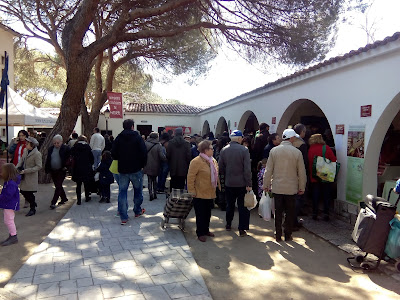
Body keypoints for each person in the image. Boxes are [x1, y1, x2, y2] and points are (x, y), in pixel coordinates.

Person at [263, 129, 307, 242]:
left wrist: (266, 184)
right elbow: (301, 172)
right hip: (291, 188)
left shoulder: (274, 151)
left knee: (278, 212)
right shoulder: (297, 152)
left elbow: (268, 170)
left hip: (277, 187)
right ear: (291, 138)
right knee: (290, 212)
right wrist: (302, 187)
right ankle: (288, 234)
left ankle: (278, 235)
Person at [112, 119, 147, 225]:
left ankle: (123, 217)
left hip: (123, 170)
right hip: (136, 169)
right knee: (138, 191)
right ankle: (137, 211)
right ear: (132, 126)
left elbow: (113, 153)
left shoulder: (118, 138)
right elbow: (144, 152)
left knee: (122, 192)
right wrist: (142, 165)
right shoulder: (138, 138)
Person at [218, 130, 252, 237]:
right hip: (242, 183)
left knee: (230, 204)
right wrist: (249, 183)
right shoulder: (244, 150)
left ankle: (228, 224)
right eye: (241, 137)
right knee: (243, 206)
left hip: (229, 182)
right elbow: (247, 169)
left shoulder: (224, 150)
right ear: (239, 139)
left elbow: (221, 167)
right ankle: (242, 228)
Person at [187, 140, 219, 242]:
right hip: (199, 192)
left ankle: (206, 230)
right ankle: (200, 232)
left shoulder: (212, 161)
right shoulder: (196, 161)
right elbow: (190, 177)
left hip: (210, 192)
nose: (213, 150)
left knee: (208, 213)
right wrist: (191, 191)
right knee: (200, 214)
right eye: (211, 149)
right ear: (205, 150)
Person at [308, 134, 337, 221]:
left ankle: (314, 213)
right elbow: (333, 159)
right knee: (326, 194)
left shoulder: (311, 149)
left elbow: (309, 161)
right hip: (325, 175)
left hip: (314, 175)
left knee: (315, 194)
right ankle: (326, 213)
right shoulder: (326, 148)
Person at [16, 137, 42, 217]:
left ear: (32, 145)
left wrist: (27, 170)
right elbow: (21, 160)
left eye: (27, 143)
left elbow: (39, 166)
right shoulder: (25, 150)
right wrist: (16, 168)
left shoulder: (37, 154)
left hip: (31, 176)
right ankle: (33, 203)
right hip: (23, 175)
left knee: (29, 192)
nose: (25, 144)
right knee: (23, 191)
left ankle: (32, 208)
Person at [45, 134, 70, 209]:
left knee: (58, 186)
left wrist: (67, 167)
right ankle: (64, 198)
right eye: (54, 143)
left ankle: (53, 202)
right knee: (57, 185)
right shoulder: (51, 149)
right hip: (53, 170)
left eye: (58, 143)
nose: (56, 144)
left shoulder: (66, 148)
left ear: (61, 142)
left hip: (61, 170)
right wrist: (47, 169)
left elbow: (69, 159)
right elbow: (48, 159)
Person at [292, 123, 309, 229]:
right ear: (302, 132)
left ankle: (292, 220)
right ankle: (293, 221)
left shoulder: (291, 143)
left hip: (289, 174)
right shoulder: (301, 144)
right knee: (298, 198)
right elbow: (304, 162)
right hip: (298, 174)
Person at [0, 163, 21, 246]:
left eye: (3, 171)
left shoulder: (11, 183)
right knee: (8, 220)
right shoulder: (9, 182)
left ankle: (13, 236)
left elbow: (7, 196)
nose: (1, 173)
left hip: (9, 205)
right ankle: (12, 235)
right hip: (8, 204)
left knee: (9, 221)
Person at [70, 135, 94, 205]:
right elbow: (91, 158)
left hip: (77, 168)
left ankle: (79, 200)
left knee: (78, 185)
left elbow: (71, 155)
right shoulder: (87, 147)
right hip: (86, 167)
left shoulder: (75, 147)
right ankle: (87, 197)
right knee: (86, 184)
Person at [143, 132, 166, 201]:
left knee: (149, 180)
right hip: (156, 165)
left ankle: (150, 194)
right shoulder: (158, 145)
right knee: (154, 180)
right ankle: (155, 193)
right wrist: (167, 159)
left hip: (147, 164)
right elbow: (162, 156)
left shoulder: (145, 144)